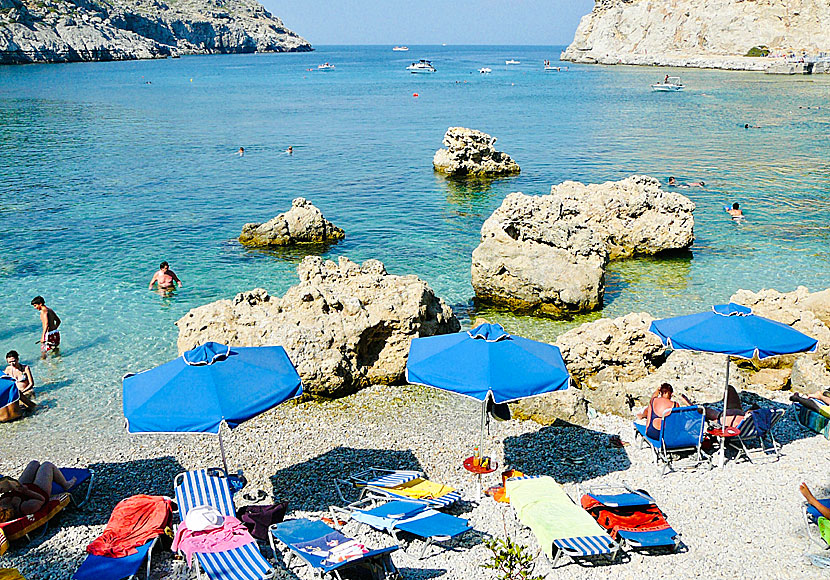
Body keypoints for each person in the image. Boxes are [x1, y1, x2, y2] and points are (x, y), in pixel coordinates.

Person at [0, 462, 76, 520]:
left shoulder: (2, 503)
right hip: (38, 491)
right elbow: (41, 499)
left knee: (34, 463)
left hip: (20, 489)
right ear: (4, 509)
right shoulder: (25, 508)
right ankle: (66, 485)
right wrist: (26, 491)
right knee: (47, 465)